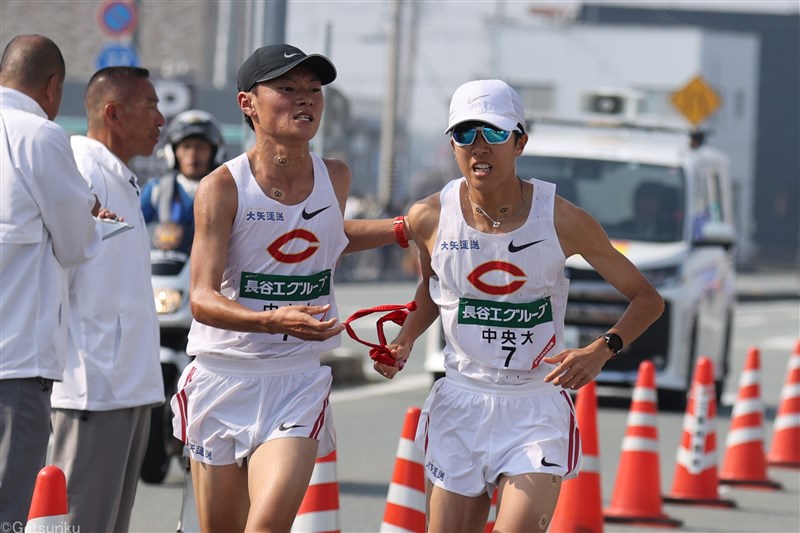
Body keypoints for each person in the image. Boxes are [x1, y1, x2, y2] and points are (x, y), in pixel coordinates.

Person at [375, 79, 665, 532]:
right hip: (461, 400)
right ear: (451, 145)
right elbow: (434, 290)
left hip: (535, 405)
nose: (478, 147)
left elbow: (648, 298)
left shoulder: (562, 218)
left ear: (520, 142)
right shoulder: (430, 216)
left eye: (492, 133)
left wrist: (602, 348)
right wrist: (405, 339)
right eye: (464, 134)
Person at [171, 43, 409, 532]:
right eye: (287, 88)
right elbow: (201, 298)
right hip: (222, 376)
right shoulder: (223, 186)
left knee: (267, 527)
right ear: (247, 104)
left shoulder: (335, 176)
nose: (305, 100)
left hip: (296, 381)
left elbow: (327, 241)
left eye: (314, 90)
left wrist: (403, 227)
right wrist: (270, 320)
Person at [48, 66, 166, 532]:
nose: (161, 120)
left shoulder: (123, 178)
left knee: (112, 522)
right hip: (91, 387)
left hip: (130, 384)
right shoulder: (80, 168)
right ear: (114, 113)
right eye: (151, 106)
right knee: (77, 522)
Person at [0, 34, 105, 524]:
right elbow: (78, 243)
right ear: (52, 87)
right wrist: (86, 211)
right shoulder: (38, 136)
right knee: (8, 510)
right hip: (15, 366)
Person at [140, 109, 225, 251]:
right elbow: (132, 227)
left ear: (214, 152)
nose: (192, 155)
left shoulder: (226, 192)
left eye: (200, 147)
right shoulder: (156, 190)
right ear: (172, 152)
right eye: (186, 147)